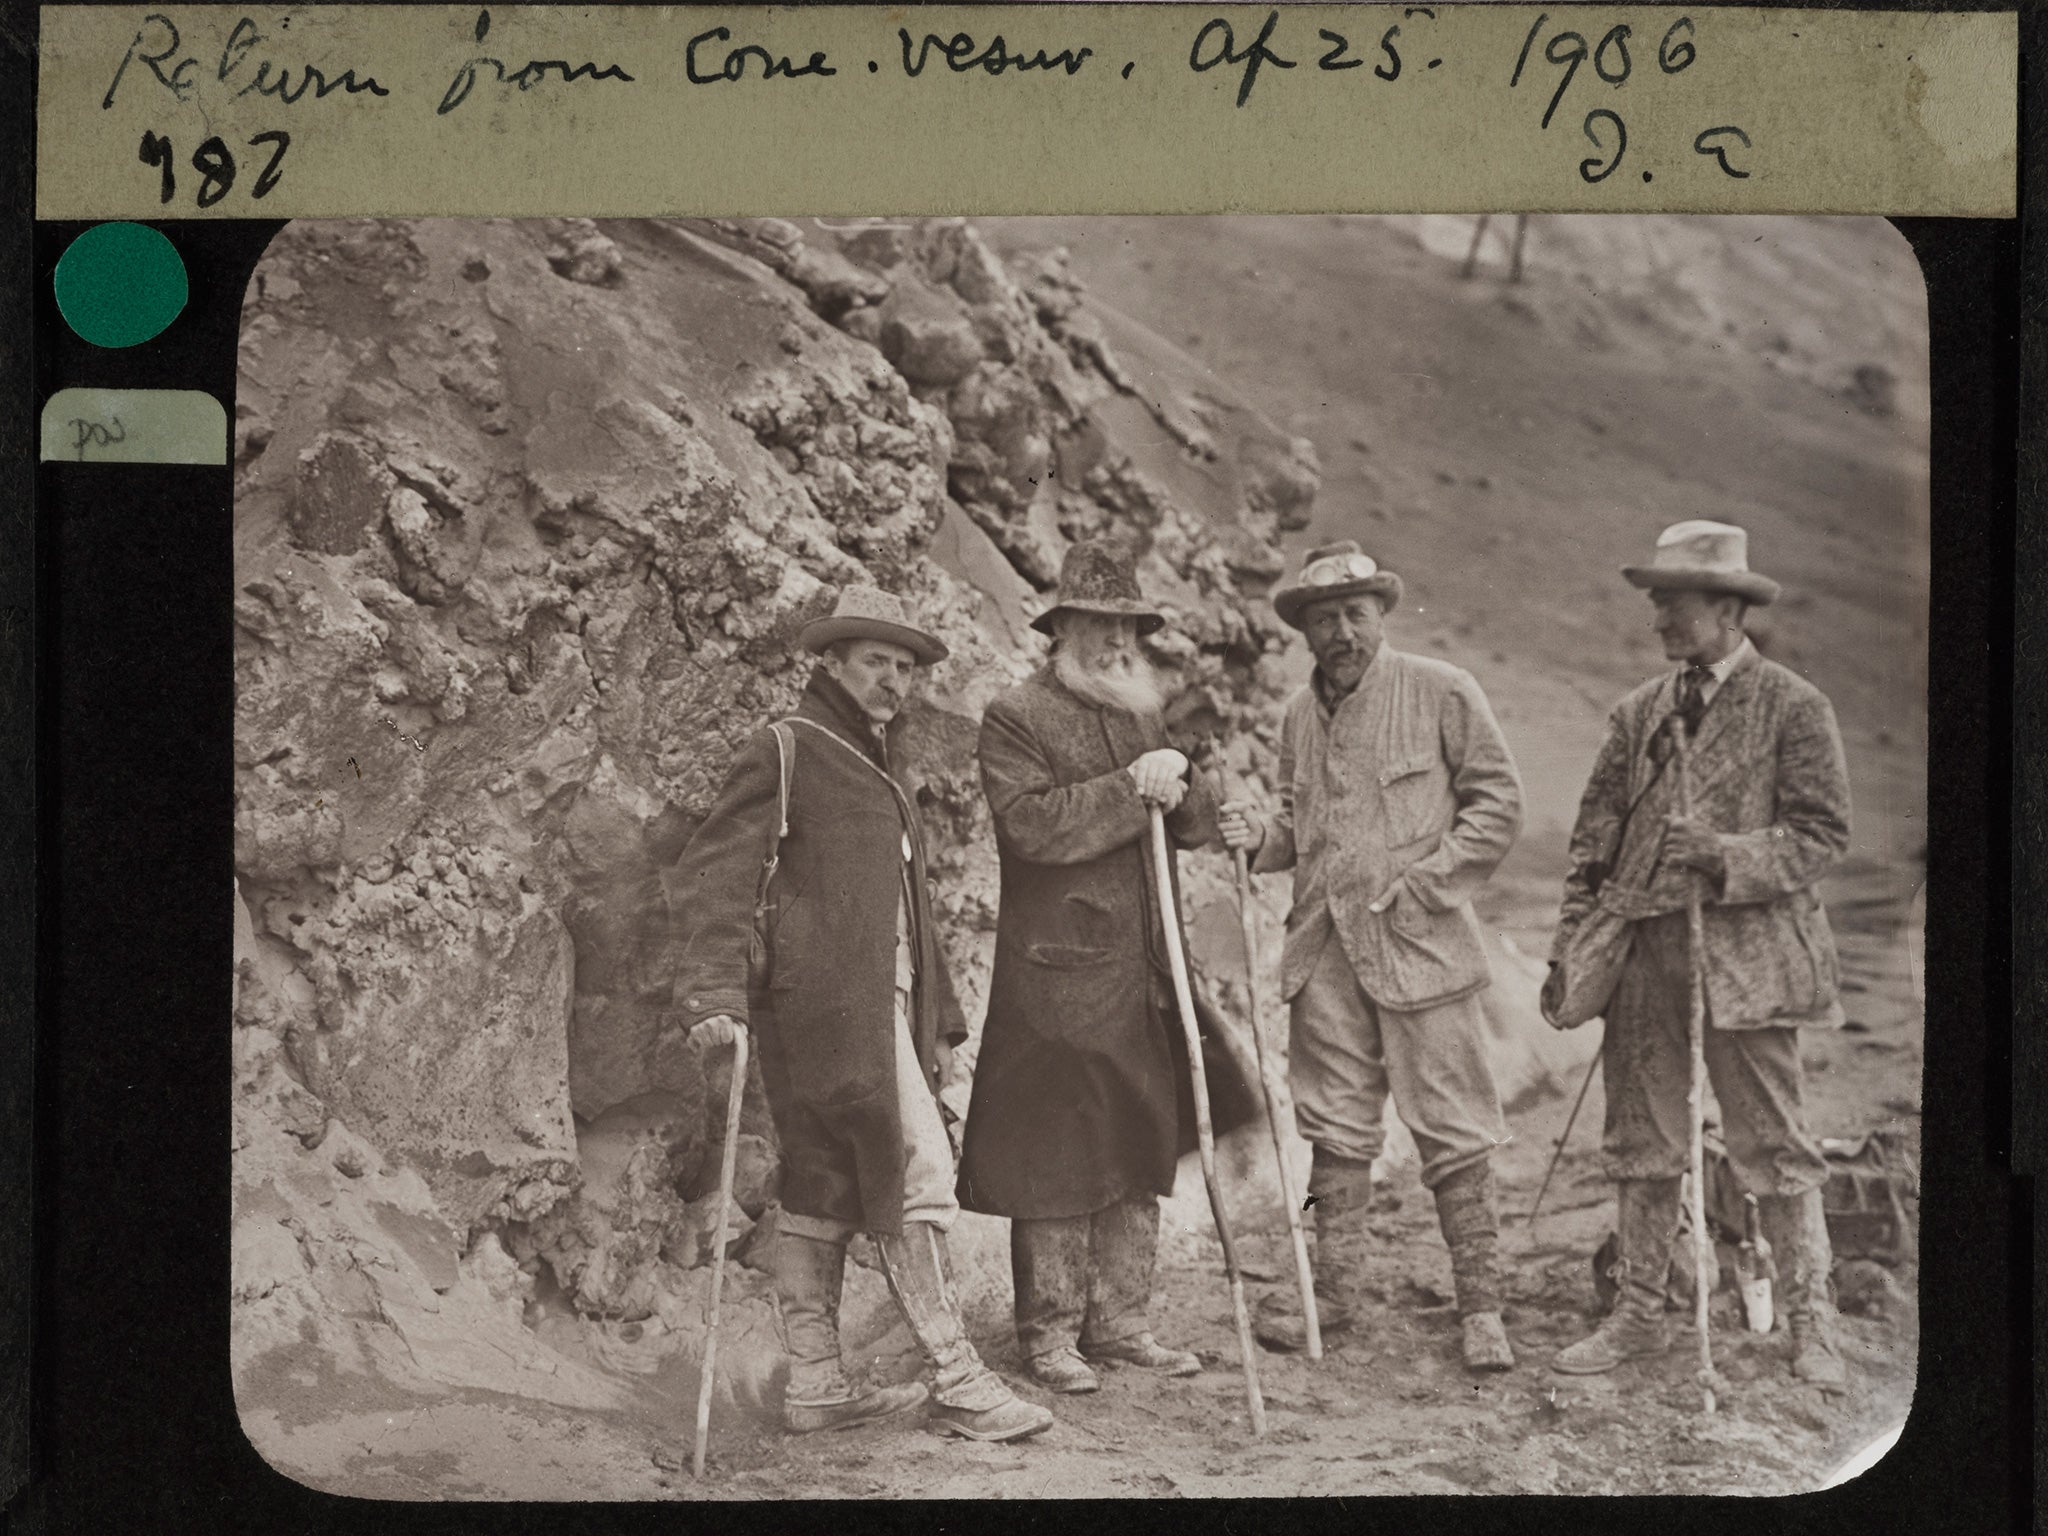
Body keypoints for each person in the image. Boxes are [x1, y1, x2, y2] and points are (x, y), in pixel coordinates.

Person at [668, 585, 1052, 1444]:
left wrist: (940, 1023)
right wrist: (713, 997)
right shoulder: (787, 747)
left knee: (822, 1181)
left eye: (906, 668)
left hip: (887, 1011)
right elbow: (714, 874)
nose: (894, 681)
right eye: (876, 662)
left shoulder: (881, 764)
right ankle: (958, 1378)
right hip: (824, 1012)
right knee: (912, 1167)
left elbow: (913, 909)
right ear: (830, 662)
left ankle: (814, 1385)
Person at [1542, 520, 1851, 1386]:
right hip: (1644, 956)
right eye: (1655, 605)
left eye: (1672, 605)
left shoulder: (1794, 705)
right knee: (1642, 1141)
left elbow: (1823, 834)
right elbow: (1590, 846)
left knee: (1777, 1148)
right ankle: (1639, 1316)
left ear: (1727, 608)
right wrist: (1575, 943)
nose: (1659, 624)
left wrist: (1726, 854)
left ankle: (1809, 1325)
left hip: (1749, 962)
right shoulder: (1638, 713)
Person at [957, 539, 1260, 1396]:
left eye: (1126, 625)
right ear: (1062, 629)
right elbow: (1032, 827)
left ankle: (1121, 1324)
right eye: (1095, 624)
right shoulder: (1016, 714)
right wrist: (1134, 786)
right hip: (1055, 975)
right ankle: (1047, 1335)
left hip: (1145, 971)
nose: (1114, 640)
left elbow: (1193, 823)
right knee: (1053, 1151)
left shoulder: (1143, 713)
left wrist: (1189, 780)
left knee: (1138, 1138)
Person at [1218, 541, 1524, 1373]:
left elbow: (1497, 804)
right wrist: (1259, 839)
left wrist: (1431, 884)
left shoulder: (1441, 690)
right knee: (1334, 1133)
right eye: (1325, 619)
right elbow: (1294, 825)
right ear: (1307, 632)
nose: (1342, 631)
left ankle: (1483, 1307)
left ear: (1381, 614)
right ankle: (1336, 1288)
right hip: (1326, 955)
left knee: (1457, 1137)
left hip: (1424, 952)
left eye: (1356, 613)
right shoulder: (1293, 717)